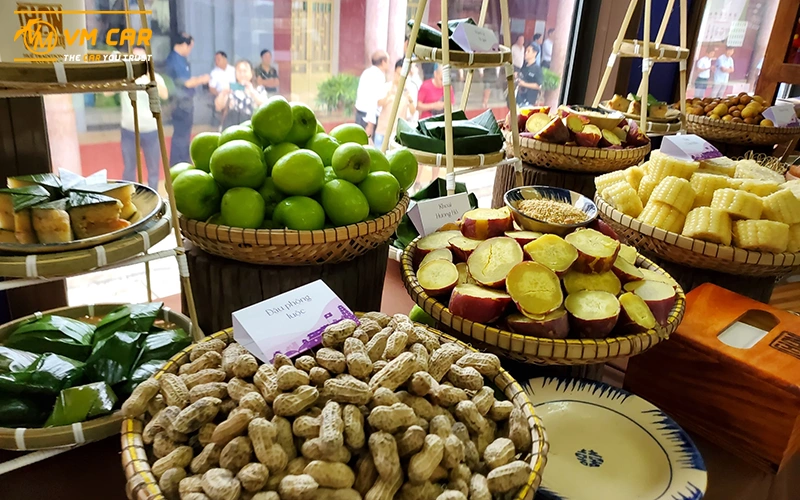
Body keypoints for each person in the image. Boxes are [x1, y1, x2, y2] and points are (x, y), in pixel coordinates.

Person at [118, 46, 169, 190]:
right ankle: (129, 195)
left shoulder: (155, 77)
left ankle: (153, 194)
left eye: (141, 58)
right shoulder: (125, 78)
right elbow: (108, 93)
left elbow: (164, 95)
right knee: (129, 167)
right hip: (129, 129)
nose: (138, 61)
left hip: (151, 130)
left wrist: (150, 77)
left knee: (153, 169)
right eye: (134, 57)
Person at [164, 32, 209, 166]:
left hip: (182, 102)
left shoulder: (178, 59)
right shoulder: (175, 60)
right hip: (180, 103)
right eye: (190, 47)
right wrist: (202, 79)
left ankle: (181, 160)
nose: (190, 51)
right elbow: (186, 82)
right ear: (184, 44)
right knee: (181, 135)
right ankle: (179, 162)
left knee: (182, 134)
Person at [374, 59, 417, 149]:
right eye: (398, 74)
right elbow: (379, 103)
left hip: (396, 134)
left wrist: (410, 99)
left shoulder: (410, 89)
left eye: (403, 75)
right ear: (394, 72)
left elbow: (413, 112)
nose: (399, 77)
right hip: (382, 131)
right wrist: (389, 94)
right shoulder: (386, 87)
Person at [215, 60, 269, 129]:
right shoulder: (230, 89)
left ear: (251, 73)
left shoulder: (259, 89)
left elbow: (265, 105)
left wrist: (252, 92)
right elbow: (218, 107)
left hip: (251, 126)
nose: (242, 74)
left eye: (245, 71)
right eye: (239, 71)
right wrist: (223, 93)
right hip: (231, 127)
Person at [355, 50, 390, 137]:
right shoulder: (378, 76)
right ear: (383, 62)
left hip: (361, 115)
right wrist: (370, 124)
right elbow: (373, 101)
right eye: (388, 62)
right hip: (368, 117)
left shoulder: (366, 72)